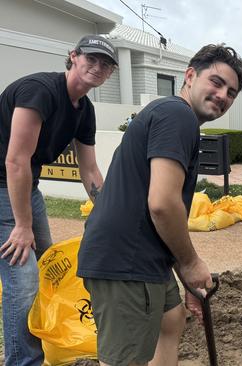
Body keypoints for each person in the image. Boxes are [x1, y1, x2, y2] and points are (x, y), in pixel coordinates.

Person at [77, 44, 242, 366]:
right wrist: (192, 264)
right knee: (125, 359)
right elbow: (163, 203)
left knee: (171, 319)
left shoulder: (172, 116)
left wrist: (187, 282)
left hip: (145, 257)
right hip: (125, 262)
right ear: (190, 75)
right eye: (216, 82)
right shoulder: (177, 115)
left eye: (231, 91)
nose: (223, 94)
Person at [0, 34, 116, 365]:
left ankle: (45, 340)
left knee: (49, 265)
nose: (97, 67)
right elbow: (15, 161)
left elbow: (90, 169)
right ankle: (23, 362)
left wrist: (109, 213)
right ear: (73, 57)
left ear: (109, 74)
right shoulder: (41, 91)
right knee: (23, 280)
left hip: (24, 187)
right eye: (91, 58)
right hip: (4, 185)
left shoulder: (85, 110)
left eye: (105, 64)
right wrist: (22, 225)